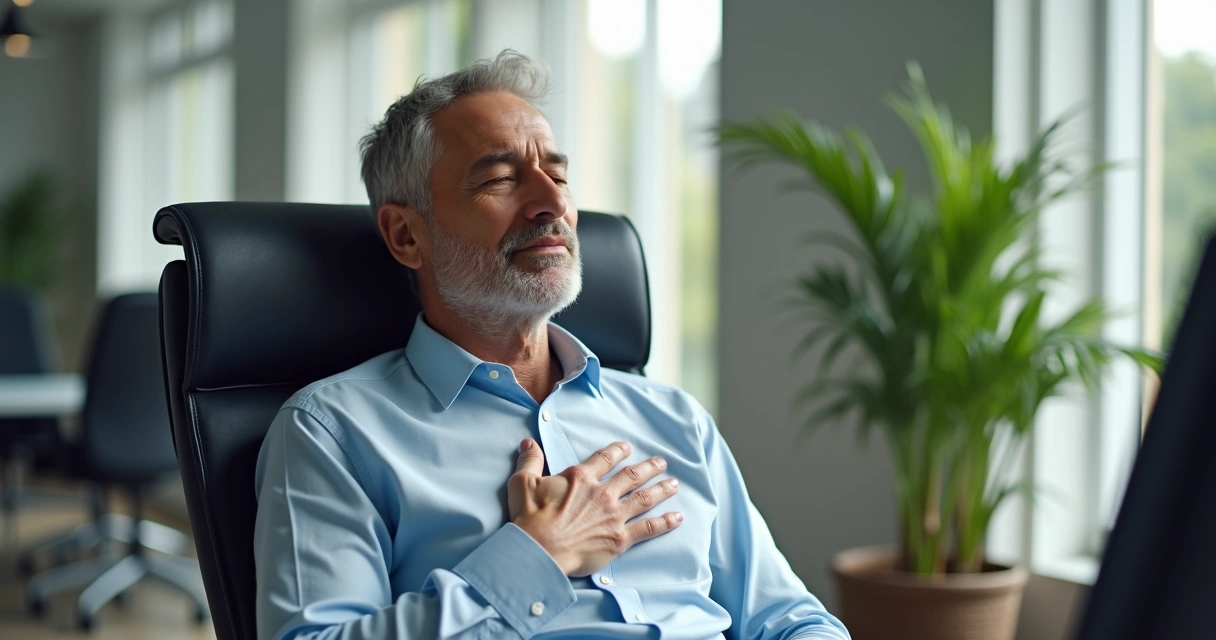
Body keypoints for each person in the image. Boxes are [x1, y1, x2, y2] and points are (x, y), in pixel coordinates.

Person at [252, 50, 850, 640]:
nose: (553, 203)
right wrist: (538, 554)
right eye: (500, 178)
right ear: (407, 234)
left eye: (558, 175)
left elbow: (790, 619)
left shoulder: (676, 419)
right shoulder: (331, 432)